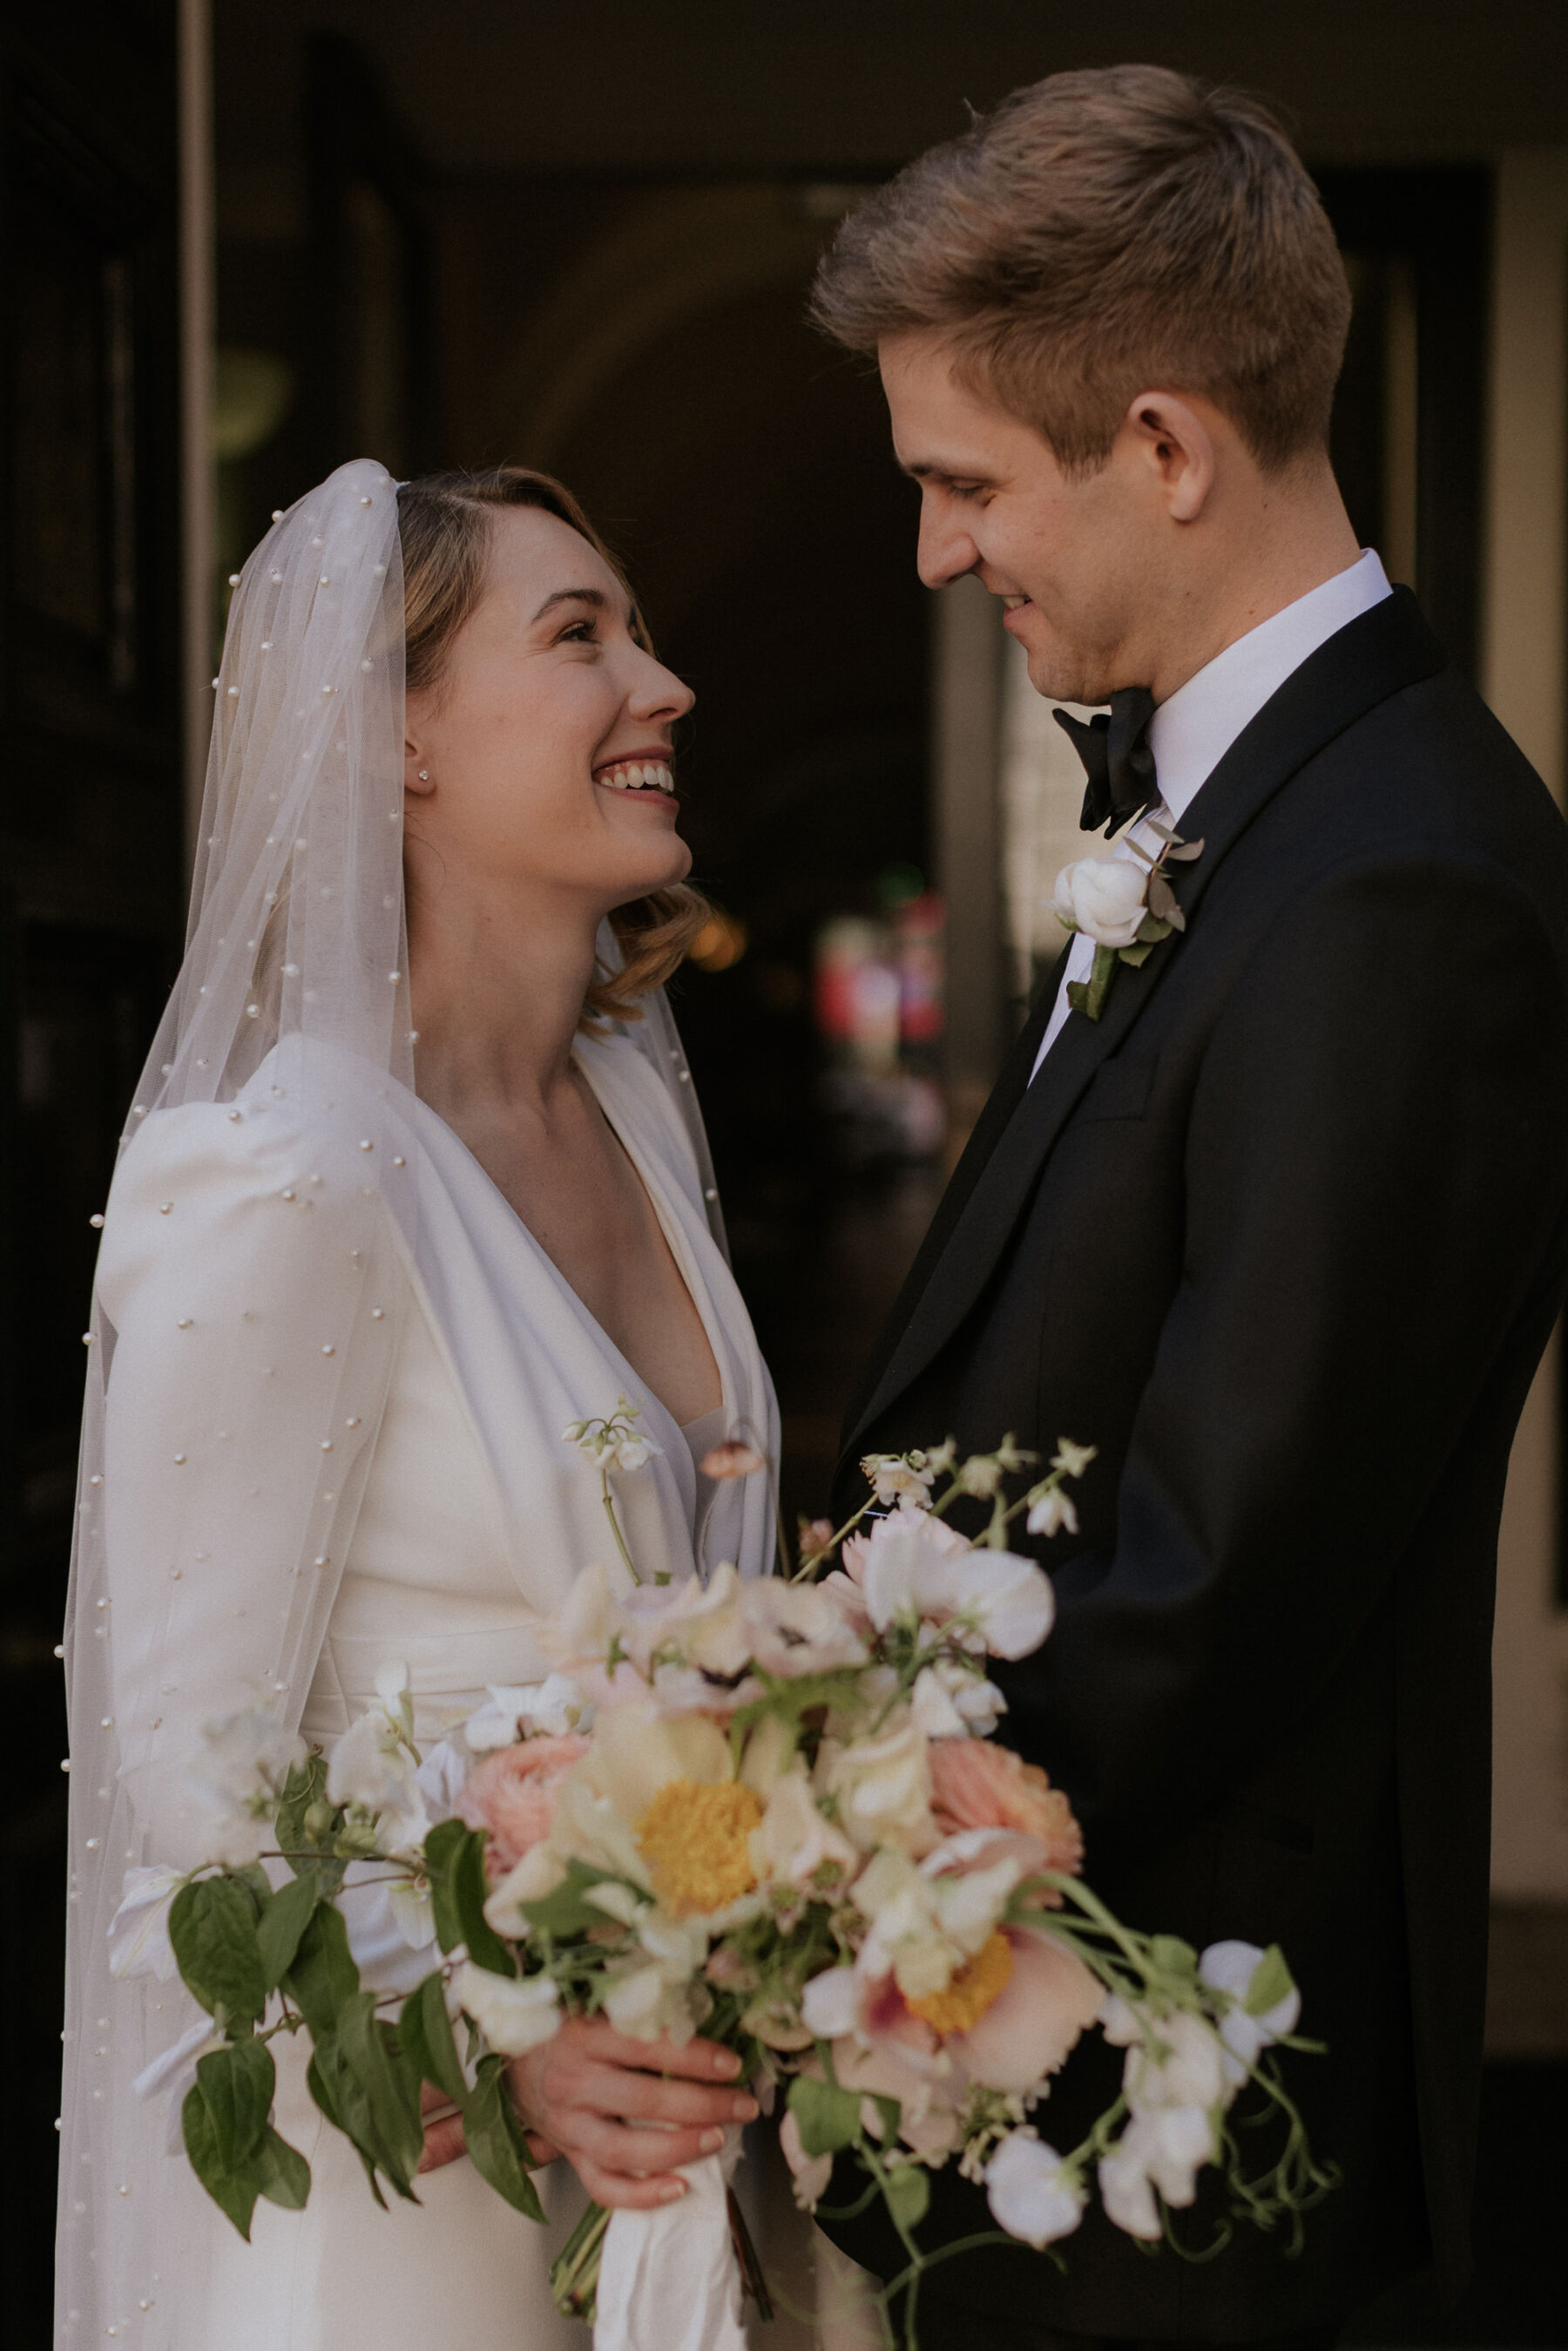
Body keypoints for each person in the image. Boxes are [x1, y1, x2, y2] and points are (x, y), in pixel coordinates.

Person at [808, 64, 1568, 2351]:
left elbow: (1225, 1572)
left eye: (964, 479)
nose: (937, 551)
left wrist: (805, 1829)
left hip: (1198, 2111)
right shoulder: (1249, 816)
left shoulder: (1402, 878)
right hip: (1051, 2075)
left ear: (1162, 443)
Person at [57, 461, 779, 2349]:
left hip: (685, 2155)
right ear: (394, 743)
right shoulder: (286, 1174)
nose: (665, 682)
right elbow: (189, 1833)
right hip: (417, 2214)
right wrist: (504, 2041)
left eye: (640, 629)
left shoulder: (626, 1100)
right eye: (579, 638)